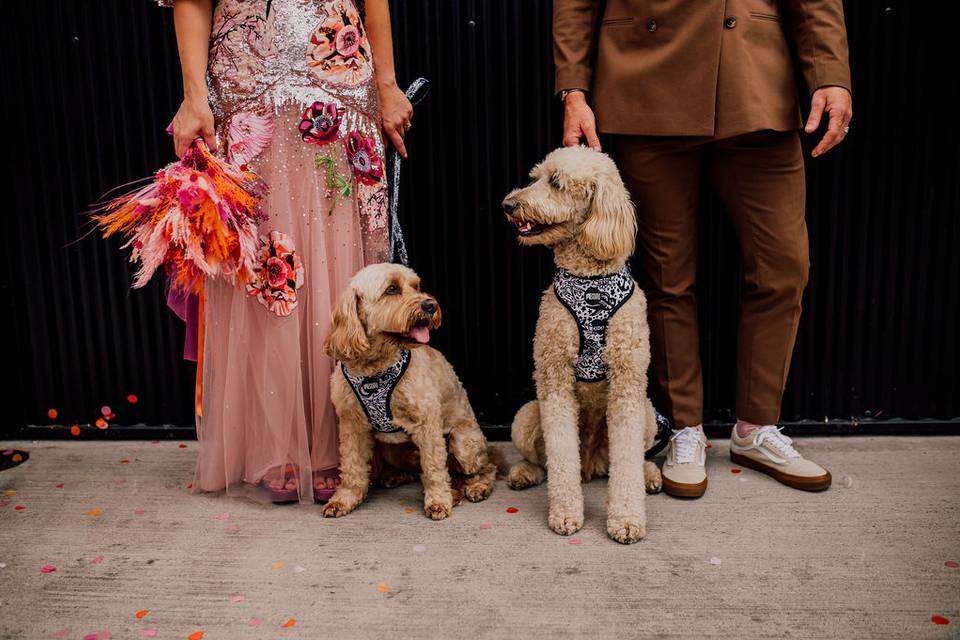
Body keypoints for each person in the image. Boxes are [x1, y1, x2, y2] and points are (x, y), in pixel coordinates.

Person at [554, 0, 853, 497]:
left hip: (757, 81)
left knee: (784, 266)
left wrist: (831, 73)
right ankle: (685, 428)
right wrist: (574, 89)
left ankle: (755, 428)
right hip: (645, 77)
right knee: (669, 275)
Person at [164, 0, 412, 502]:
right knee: (267, 267)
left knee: (342, 257)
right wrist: (194, 96)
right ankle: (277, 442)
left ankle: (339, 442)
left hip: (340, 81)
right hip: (245, 83)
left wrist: (386, 83)